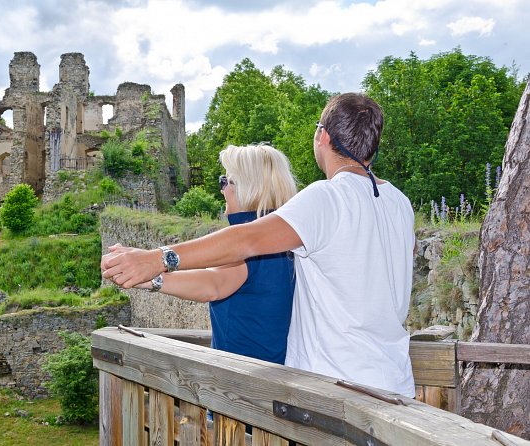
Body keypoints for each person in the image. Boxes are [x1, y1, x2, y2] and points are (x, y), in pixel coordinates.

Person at [102, 93, 416, 397]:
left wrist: (158, 259)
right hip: (394, 384)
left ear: (323, 136)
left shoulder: (327, 196)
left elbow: (246, 241)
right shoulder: (399, 203)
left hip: (339, 390)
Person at [111, 144, 298, 364]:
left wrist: (151, 274)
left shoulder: (248, 243)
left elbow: (213, 283)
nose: (222, 190)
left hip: (243, 382)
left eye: (226, 181)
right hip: (278, 374)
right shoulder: (287, 238)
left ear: (246, 188)